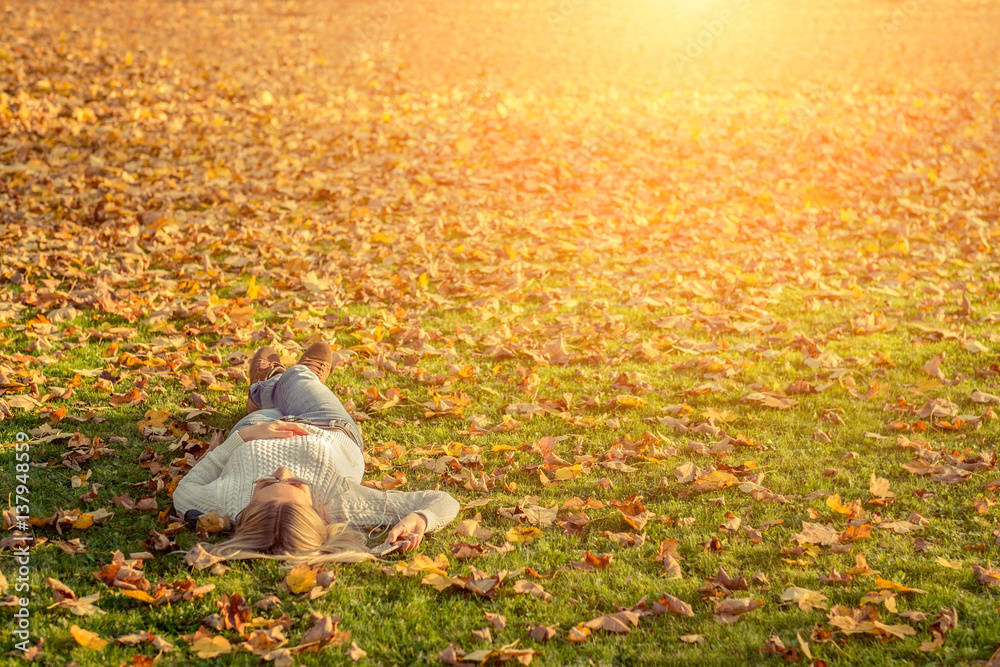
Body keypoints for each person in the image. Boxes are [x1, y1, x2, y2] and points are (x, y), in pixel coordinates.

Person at [172, 341, 461, 565]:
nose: (282, 473)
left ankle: (268, 385)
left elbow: (183, 494)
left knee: (282, 392)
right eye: (297, 484)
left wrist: (243, 437)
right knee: (300, 375)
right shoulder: (340, 504)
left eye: (265, 483)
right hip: (326, 421)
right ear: (314, 513)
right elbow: (443, 501)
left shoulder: (227, 504)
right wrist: (419, 520)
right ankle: (276, 382)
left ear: (247, 511)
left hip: (257, 426)